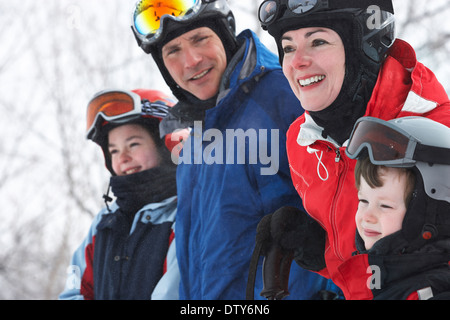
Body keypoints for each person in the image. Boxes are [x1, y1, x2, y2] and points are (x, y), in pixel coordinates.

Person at [131, 0, 341, 300]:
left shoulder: (285, 95)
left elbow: (350, 209)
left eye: (199, 39)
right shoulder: (193, 142)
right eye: (172, 51)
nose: (190, 61)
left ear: (225, 34)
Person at [257, 0, 450, 299]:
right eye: (288, 47)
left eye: (318, 41)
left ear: (364, 47)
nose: (297, 62)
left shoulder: (438, 133)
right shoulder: (304, 142)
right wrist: (323, 252)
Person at [59, 89, 179, 300]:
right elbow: (75, 291)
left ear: (165, 145)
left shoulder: (182, 216)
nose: (123, 157)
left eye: (133, 144)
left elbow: (173, 293)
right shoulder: (104, 224)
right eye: (113, 150)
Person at [343, 116, 450, 300]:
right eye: (363, 200)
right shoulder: (377, 275)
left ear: (430, 216)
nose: (367, 216)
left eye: (385, 205)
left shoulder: (432, 292)